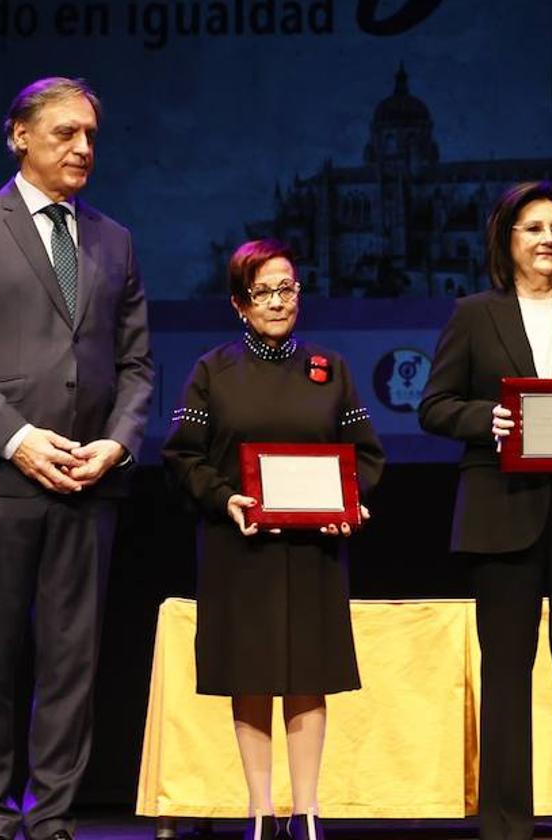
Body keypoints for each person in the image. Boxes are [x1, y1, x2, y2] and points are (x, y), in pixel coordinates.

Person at [0, 77, 154, 840]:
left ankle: (50, 815)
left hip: (88, 482)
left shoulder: (114, 239)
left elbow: (138, 365)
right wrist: (17, 438)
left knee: (71, 664)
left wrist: (116, 444)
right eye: (65, 133)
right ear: (19, 135)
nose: (83, 147)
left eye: (90, 134)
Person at [418, 182, 552, 840]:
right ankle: (507, 826)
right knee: (506, 680)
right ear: (506, 241)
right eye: (534, 228)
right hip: (501, 513)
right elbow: (434, 406)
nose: (549, 239)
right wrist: (489, 417)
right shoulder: (473, 315)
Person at [162, 239, 384, 840]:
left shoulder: (329, 368)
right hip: (241, 546)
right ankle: (261, 813)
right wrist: (222, 497)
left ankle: (307, 813)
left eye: (288, 288)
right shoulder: (213, 371)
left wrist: (351, 503)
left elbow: (365, 456)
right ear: (240, 303)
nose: (279, 301)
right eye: (264, 291)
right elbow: (183, 456)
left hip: (314, 550)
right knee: (251, 674)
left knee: (309, 673)